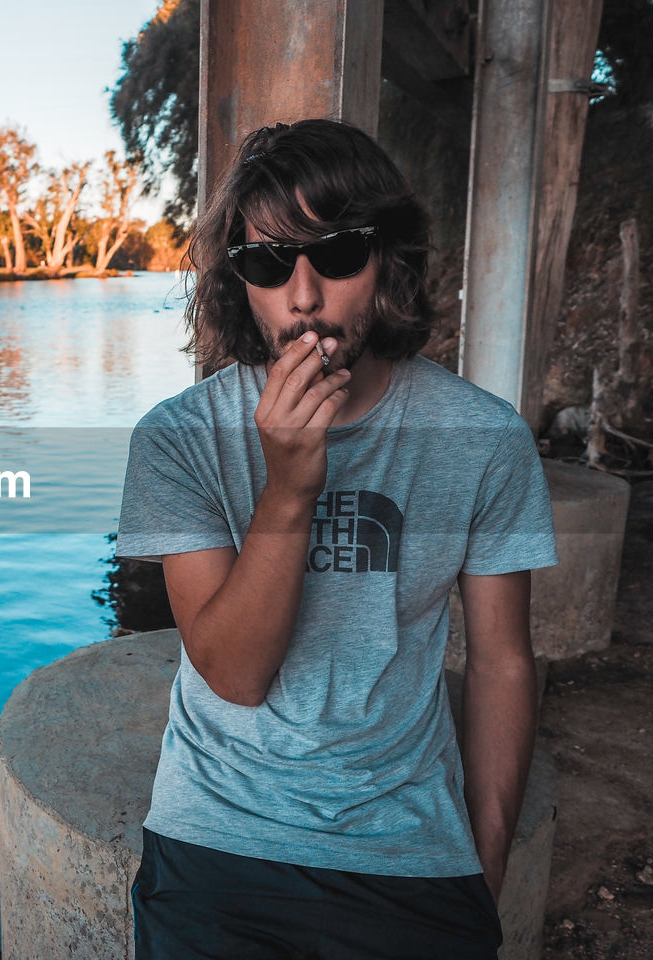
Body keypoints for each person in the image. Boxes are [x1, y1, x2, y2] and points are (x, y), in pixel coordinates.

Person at [115, 118, 559, 959]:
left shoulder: (484, 438)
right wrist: (288, 491)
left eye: (339, 254)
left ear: (388, 259)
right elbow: (235, 675)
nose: (305, 295)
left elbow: (503, 659)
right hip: (218, 836)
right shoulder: (177, 439)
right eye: (269, 263)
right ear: (240, 283)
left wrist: (483, 866)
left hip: (411, 847)